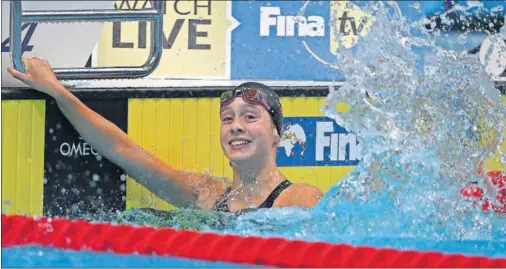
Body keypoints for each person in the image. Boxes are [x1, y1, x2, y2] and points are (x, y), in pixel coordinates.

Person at [7, 57, 324, 213]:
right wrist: (58, 92)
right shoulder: (206, 195)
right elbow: (123, 150)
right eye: (227, 119)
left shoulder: (300, 199)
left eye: (250, 117)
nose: (236, 126)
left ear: (276, 134)